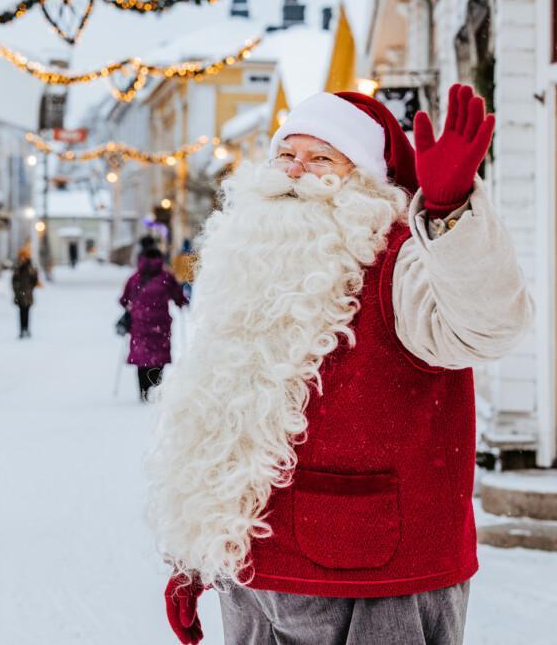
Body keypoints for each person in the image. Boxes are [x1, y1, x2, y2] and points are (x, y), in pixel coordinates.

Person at [147, 85, 532, 644]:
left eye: (321, 157)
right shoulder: (247, 261)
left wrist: (451, 215)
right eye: (286, 155)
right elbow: (217, 422)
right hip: (253, 577)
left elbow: (487, 325)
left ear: (363, 180)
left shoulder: (402, 259)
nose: (295, 171)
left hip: (378, 577)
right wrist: (194, 556)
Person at [120, 247, 189, 402]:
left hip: (139, 324)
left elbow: (124, 300)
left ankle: (143, 392)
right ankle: (156, 389)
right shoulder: (166, 277)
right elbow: (178, 297)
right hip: (161, 325)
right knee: (158, 357)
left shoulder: (134, 278)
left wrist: (133, 306)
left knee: (142, 357)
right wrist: (182, 303)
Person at [11, 246, 39, 339]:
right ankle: (22, 329)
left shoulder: (30, 268)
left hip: (27, 293)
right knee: (21, 312)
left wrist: (30, 288)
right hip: (20, 293)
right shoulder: (18, 268)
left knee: (27, 312)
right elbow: (14, 280)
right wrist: (16, 289)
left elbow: (35, 280)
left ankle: (26, 328)